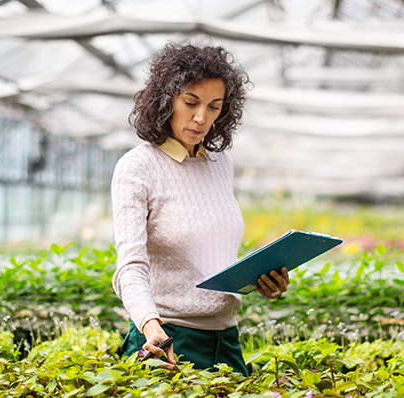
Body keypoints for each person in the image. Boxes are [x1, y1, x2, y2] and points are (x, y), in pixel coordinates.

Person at [111, 42, 289, 377]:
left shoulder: (221, 163)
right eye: (190, 102)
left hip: (227, 338)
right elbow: (130, 266)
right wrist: (153, 329)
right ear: (165, 100)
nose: (201, 117)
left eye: (214, 106)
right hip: (167, 340)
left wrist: (262, 280)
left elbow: (210, 253)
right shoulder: (137, 167)